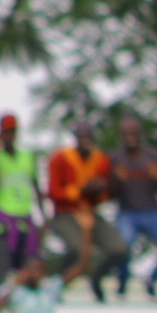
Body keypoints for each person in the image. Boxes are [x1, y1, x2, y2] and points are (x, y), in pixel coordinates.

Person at [43, 122, 126, 301]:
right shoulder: (60, 158)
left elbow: (103, 196)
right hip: (65, 213)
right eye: (82, 137)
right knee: (77, 248)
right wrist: (81, 190)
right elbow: (53, 192)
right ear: (75, 139)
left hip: (90, 213)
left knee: (119, 249)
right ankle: (55, 283)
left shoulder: (102, 160)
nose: (85, 141)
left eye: (89, 137)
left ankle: (96, 276)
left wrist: (104, 189)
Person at [0, 113, 42, 313]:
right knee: (0, 283)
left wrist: (43, 217)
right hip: (4, 224)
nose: (9, 135)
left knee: (30, 280)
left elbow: (36, 187)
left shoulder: (28, 157)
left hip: (26, 223)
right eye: (5, 131)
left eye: (12, 131)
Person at [110, 115, 157, 299]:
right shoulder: (115, 157)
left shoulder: (153, 155)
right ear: (121, 134)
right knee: (122, 248)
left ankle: (152, 279)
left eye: (134, 132)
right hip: (127, 213)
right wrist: (118, 180)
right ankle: (123, 281)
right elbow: (110, 193)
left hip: (152, 212)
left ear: (139, 133)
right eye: (126, 132)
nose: (130, 136)